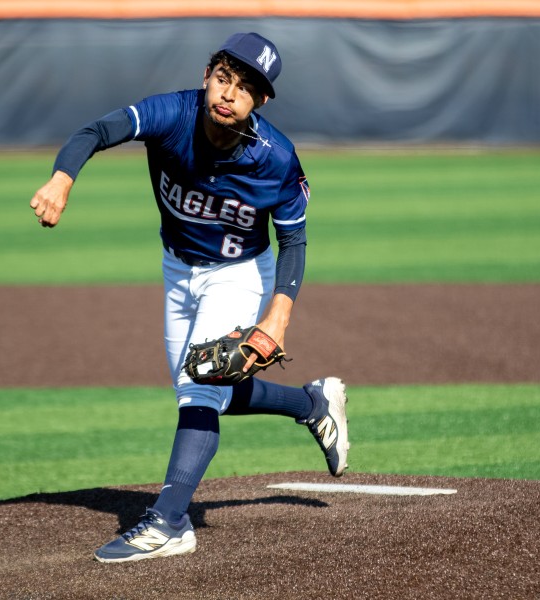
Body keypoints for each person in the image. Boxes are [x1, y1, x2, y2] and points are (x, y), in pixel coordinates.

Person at [29, 32, 349, 563]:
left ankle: (169, 522)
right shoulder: (171, 114)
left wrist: (278, 317)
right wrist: (62, 179)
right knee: (207, 380)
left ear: (260, 101)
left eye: (244, 88)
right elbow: (97, 130)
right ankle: (312, 404)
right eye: (223, 78)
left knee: (198, 387)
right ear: (207, 76)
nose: (229, 93)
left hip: (239, 272)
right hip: (177, 267)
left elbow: (293, 241)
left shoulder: (276, 159)